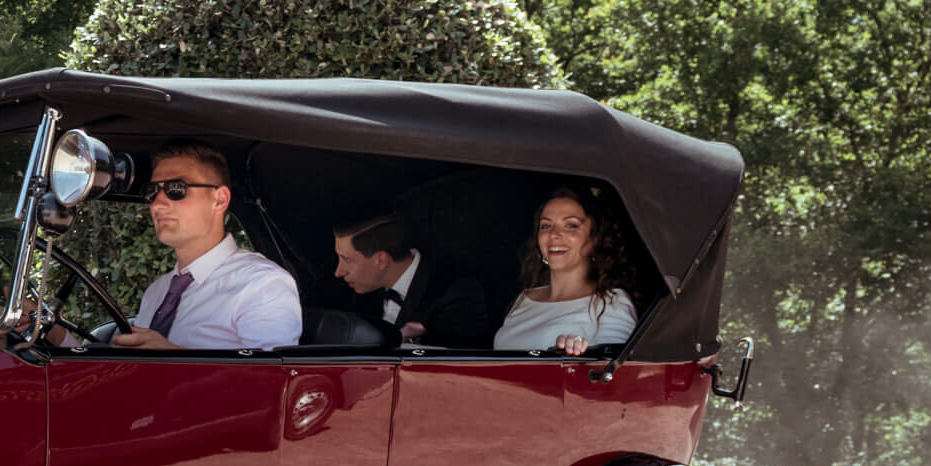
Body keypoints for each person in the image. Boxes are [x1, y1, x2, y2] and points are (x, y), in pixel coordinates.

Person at [110, 141, 301, 351]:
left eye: (176, 189)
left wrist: (173, 358)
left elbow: (270, 380)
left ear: (220, 200)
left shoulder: (262, 284)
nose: (157, 204)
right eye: (152, 191)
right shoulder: (156, 293)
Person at [490, 181, 639, 353]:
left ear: (595, 238)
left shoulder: (611, 302)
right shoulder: (524, 298)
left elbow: (616, 373)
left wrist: (576, 356)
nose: (554, 234)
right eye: (546, 226)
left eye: (571, 226)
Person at [331, 212, 488, 350]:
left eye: (347, 260)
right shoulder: (353, 294)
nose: (338, 272)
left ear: (381, 260)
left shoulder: (457, 293)